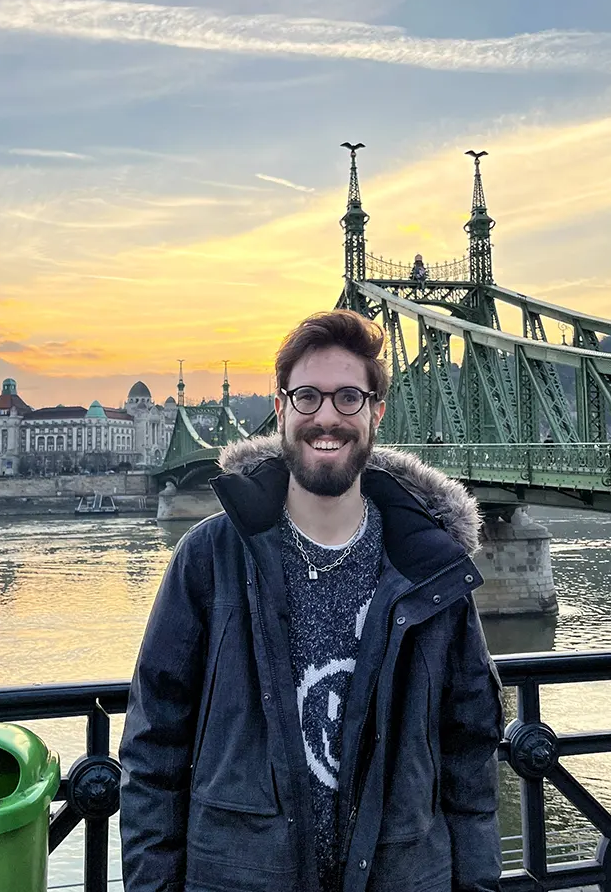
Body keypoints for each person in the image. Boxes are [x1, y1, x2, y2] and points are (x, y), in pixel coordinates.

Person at [120, 310, 503, 892]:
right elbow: (153, 749)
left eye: (349, 397)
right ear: (280, 411)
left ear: (376, 412)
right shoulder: (209, 558)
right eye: (307, 397)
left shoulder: (433, 570)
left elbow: (469, 754)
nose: (327, 417)